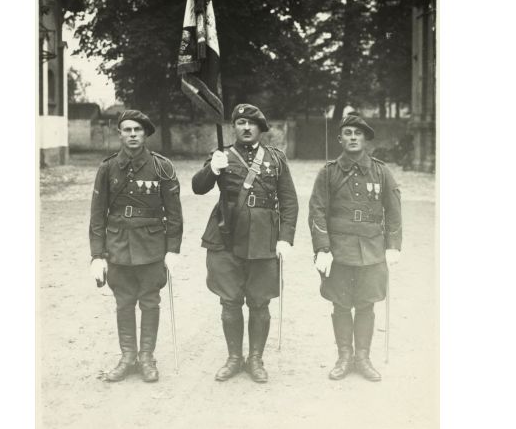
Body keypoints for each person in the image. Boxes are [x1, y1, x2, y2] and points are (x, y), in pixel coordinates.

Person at [192, 104, 298, 383]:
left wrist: (285, 238)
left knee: (260, 302)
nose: (246, 128)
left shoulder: (276, 159)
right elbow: (198, 187)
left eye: (251, 123)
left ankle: (255, 359)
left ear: (261, 129)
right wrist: (212, 170)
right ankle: (234, 358)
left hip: (263, 238)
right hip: (226, 236)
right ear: (233, 127)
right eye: (240, 122)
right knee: (229, 301)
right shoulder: (222, 155)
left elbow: (289, 200)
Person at [89, 109, 183, 383]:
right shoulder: (108, 168)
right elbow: (97, 215)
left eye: (137, 130)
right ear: (120, 134)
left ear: (145, 134)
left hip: (152, 246)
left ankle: (146, 357)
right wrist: (97, 255)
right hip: (117, 246)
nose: (132, 134)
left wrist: (173, 249)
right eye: (127, 130)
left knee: (150, 302)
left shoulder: (162, 167)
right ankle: (127, 356)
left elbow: (174, 213)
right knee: (123, 302)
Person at [308, 114, 402, 382]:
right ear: (340, 139)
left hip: (372, 250)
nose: (352, 137)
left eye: (357, 133)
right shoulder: (328, 173)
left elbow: (394, 212)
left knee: (366, 306)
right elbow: (316, 211)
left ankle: (362, 357)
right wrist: (322, 248)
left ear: (365, 139)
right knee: (340, 305)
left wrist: (393, 246)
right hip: (339, 251)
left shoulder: (381, 172)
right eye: (347, 133)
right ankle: (344, 356)